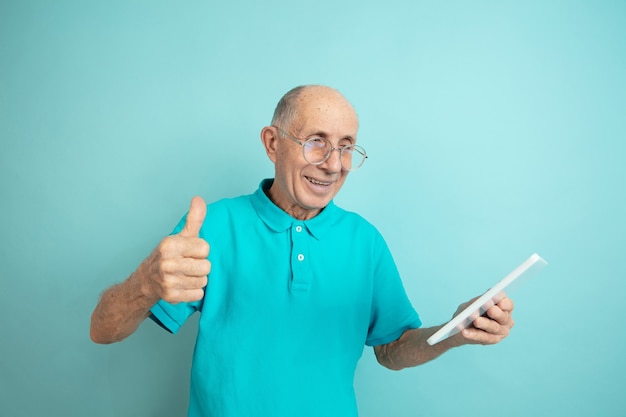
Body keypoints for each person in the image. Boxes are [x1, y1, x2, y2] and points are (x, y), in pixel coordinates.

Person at [90, 85, 514, 417]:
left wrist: (453, 332)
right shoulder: (215, 226)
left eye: (346, 145)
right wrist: (145, 283)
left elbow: (392, 350)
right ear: (273, 143)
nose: (333, 163)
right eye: (316, 141)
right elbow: (102, 330)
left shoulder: (364, 241)